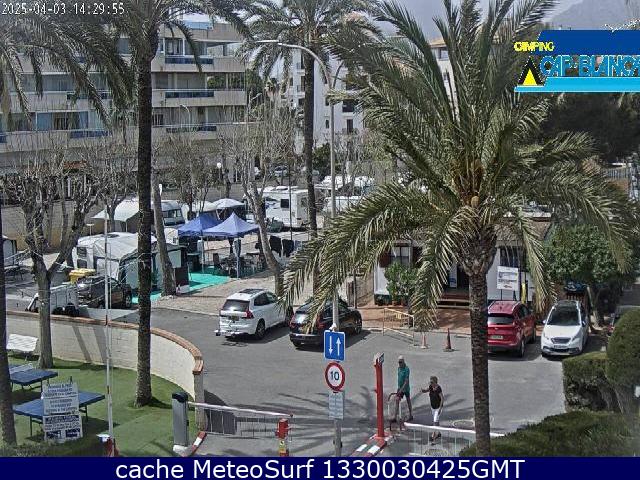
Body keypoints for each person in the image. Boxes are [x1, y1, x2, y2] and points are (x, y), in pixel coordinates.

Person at [422, 376, 444, 443]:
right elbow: (427, 390)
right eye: (430, 382)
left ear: (435, 382)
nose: (430, 383)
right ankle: (438, 433)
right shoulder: (431, 387)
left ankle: (433, 435)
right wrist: (423, 391)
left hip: (438, 408)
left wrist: (440, 408)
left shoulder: (438, 388)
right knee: (436, 420)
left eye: (432, 382)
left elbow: (442, 398)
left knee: (435, 421)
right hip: (433, 407)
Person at [395, 356, 413, 421]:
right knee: (397, 400)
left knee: (408, 401)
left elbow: (406, 381)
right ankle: (395, 416)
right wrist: (398, 388)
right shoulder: (399, 368)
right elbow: (399, 378)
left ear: (403, 361)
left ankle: (411, 415)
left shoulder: (406, 369)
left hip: (406, 388)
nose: (399, 364)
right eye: (399, 362)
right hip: (400, 388)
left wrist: (401, 389)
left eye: (400, 362)